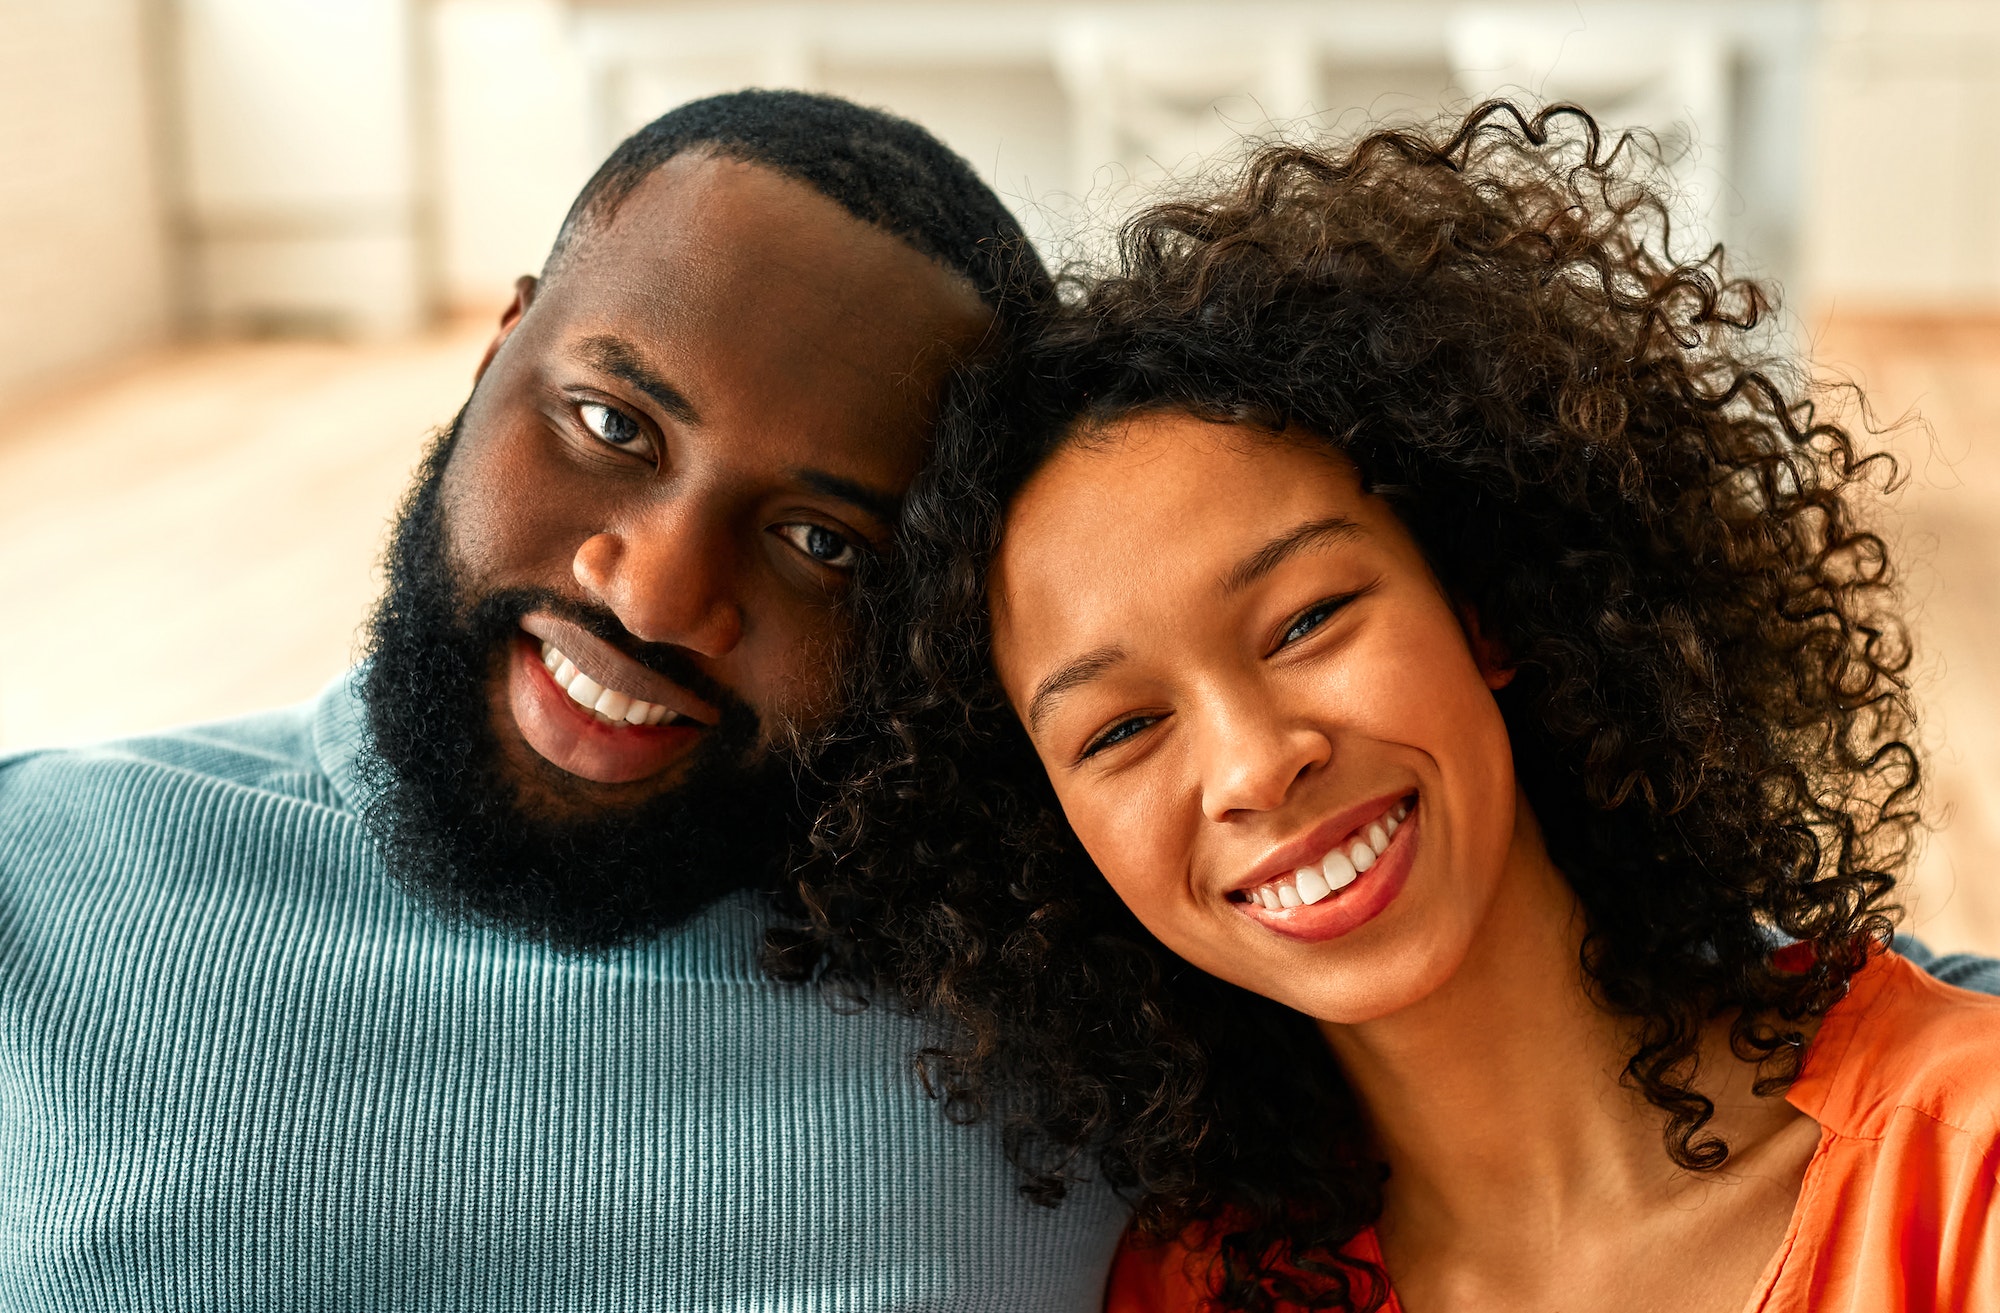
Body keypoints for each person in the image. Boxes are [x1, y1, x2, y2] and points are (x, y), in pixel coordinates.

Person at [784, 103, 2000, 1312]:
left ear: (1483, 602)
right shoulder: (1195, 1292)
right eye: (1117, 730)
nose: (1255, 765)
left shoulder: (1961, 1164)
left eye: (1306, 620)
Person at [0, 91, 1128, 1307]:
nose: (654, 596)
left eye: (821, 540)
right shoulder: (40, 867)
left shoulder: (1073, 1031)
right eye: (610, 423)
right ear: (496, 355)